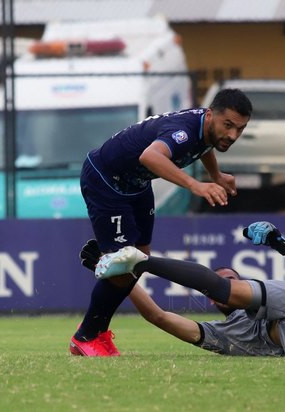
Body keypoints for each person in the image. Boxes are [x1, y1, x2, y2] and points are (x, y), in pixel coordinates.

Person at [69, 89, 253, 357]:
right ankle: (86, 335)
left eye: (240, 129)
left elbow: (205, 145)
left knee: (140, 257)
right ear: (211, 115)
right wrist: (194, 184)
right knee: (124, 264)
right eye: (228, 126)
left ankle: (96, 326)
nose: (233, 135)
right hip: (106, 180)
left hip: (137, 183)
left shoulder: (207, 127)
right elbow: (150, 157)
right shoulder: (185, 130)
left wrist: (215, 174)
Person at [81, 221, 285, 358]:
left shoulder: (272, 293)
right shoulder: (222, 335)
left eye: (232, 278)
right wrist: (117, 281)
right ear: (210, 301)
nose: (226, 283)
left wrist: (278, 242)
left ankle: (143, 262)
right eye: (221, 283)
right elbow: (158, 316)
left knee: (225, 289)